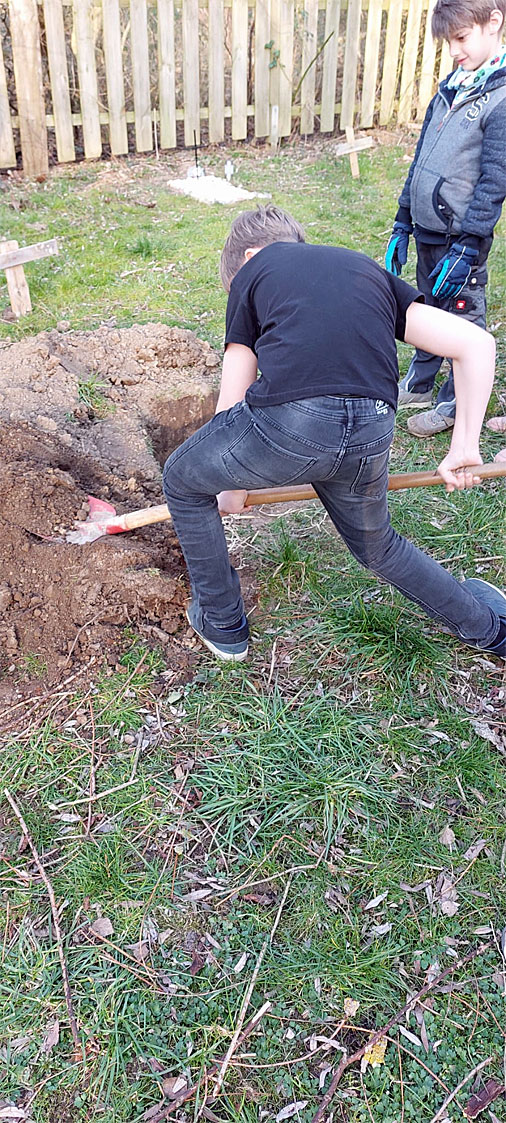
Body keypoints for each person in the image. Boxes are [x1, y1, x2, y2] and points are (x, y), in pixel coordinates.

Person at [162, 205, 506, 662]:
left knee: (182, 479)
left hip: (293, 424)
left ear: (247, 257)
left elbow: (232, 403)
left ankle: (223, 623)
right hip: (373, 427)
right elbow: (476, 343)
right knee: (379, 547)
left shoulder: (255, 271)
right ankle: (490, 628)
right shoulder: (365, 270)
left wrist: (229, 486)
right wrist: (464, 446)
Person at [385, 0, 506, 437]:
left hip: (461, 242)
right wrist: (403, 221)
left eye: (461, 38)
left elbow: (495, 180)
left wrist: (470, 246)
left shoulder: (499, 98)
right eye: (448, 41)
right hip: (427, 232)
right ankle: (420, 383)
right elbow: (420, 161)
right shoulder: (449, 89)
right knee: (426, 309)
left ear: (494, 23)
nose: (454, 50)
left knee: (460, 320)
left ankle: (455, 403)